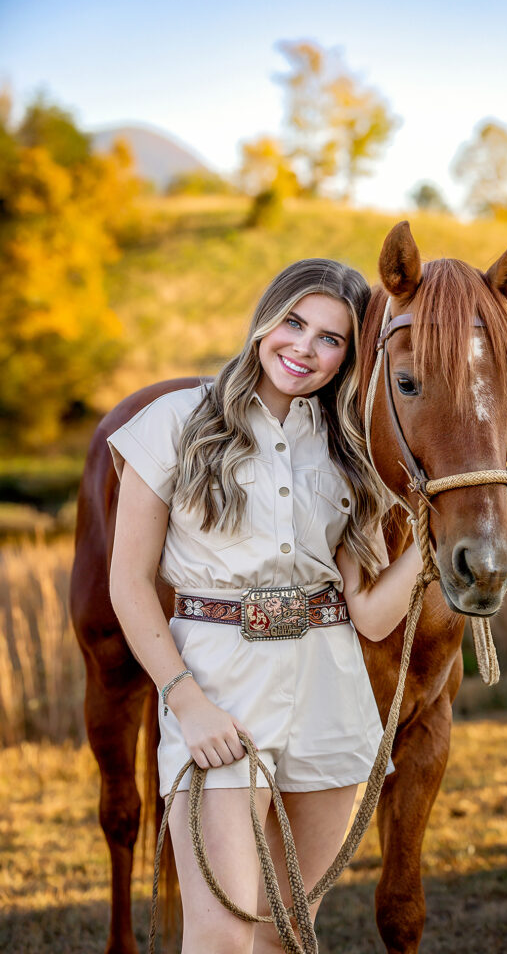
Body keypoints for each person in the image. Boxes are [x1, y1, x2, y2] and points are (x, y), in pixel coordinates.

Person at [107, 257, 422, 953]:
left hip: (328, 690)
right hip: (220, 685)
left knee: (286, 934)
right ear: (264, 320)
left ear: (346, 357)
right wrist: (184, 698)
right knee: (220, 937)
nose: (303, 350)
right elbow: (128, 583)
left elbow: (369, 615)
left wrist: (433, 539)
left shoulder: (351, 453)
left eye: (330, 339)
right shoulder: (173, 421)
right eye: (293, 323)